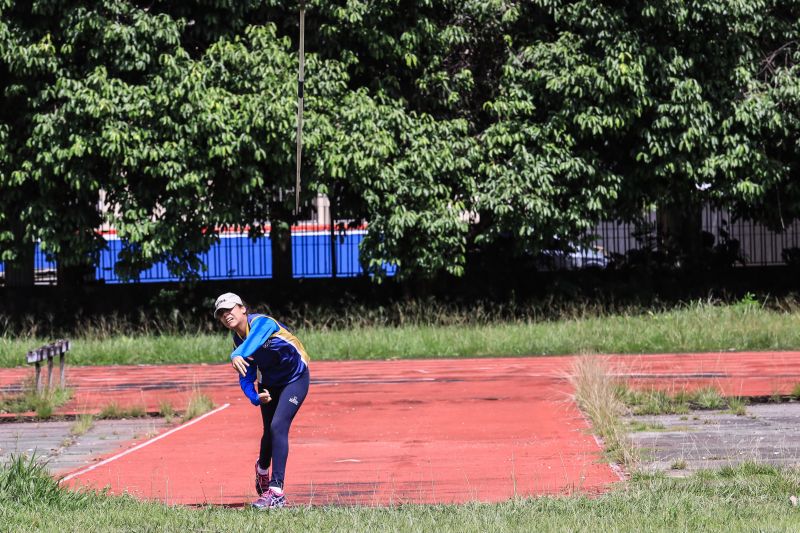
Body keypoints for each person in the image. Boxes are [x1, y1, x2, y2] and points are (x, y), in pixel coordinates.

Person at [214, 292, 310, 510]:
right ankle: (262, 469)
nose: (226, 315)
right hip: (268, 383)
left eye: (229, 309)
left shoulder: (262, 323)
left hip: (295, 378)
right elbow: (246, 375)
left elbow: (255, 340)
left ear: (242, 309)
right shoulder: (238, 342)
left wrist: (236, 354)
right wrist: (254, 397)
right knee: (269, 431)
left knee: (278, 426)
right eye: (221, 314)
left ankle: (276, 492)